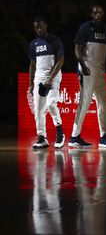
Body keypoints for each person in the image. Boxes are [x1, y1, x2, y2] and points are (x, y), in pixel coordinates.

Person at [69, 5, 106, 148]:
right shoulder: (84, 28)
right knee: (84, 103)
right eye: (95, 12)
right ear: (91, 14)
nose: (98, 15)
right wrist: (83, 66)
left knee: (103, 103)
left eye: (101, 12)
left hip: (100, 72)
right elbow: (77, 49)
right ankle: (74, 137)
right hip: (86, 69)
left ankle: (103, 137)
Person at [28, 17, 65, 149]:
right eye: (36, 28)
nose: (38, 30)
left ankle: (60, 131)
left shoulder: (55, 41)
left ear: (46, 26)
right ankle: (42, 137)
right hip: (39, 77)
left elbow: (61, 61)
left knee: (51, 103)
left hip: (53, 77)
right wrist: (31, 84)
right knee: (38, 110)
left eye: (41, 27)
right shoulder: (33, 44)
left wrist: (50, 79)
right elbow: (32, 65)